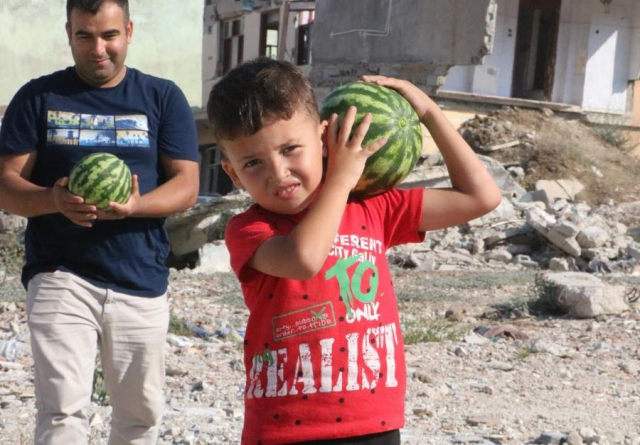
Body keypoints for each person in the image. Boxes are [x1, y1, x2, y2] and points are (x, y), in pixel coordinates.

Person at [207, 57, 502, 445]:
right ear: (233, 174)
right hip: (284, 429)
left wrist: (429, 112)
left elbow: (481, 196)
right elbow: (304, 259)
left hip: (373, 424)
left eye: (291, 149)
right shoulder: (249, 229)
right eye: (253, 163)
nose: (278, 174)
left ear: (324, 136)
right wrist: (342, 178)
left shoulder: (373, 208)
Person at [0, 0, 199, 443]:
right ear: (68, 34)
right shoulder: (38, 97)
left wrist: (135, 206)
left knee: (139, 415)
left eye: (109, 35)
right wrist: (53, 199)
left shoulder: (161, 96)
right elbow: (6, 184)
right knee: (62, 411)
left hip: (140, 276)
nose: (98, 49)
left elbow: (186, 185)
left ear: (128, 31)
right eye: (85, 35)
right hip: (60, 274)